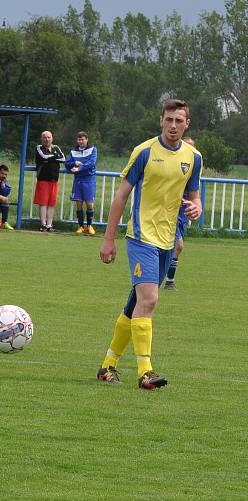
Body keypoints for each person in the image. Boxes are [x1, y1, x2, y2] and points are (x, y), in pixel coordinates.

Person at [97, 99, 202, 389]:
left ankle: (108, 366)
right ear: (161, 120)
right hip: (141, 237)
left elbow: (195, 196)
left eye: (179, 121)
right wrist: (109, 239)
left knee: (136, 305)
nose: (173, 126)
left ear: (187, 124)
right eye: (169, 119)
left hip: (168, 239)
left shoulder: (193, 157)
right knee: (150, 300)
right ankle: (146, 371)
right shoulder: (144, 152)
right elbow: (120, 197)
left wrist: (196, 208)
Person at [164, 136, 196, 291]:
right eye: (187, 146)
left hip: (182, 213)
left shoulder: (193, 166)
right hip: (170, 211)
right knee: (179, 245)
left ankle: (166, 279)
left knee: (172, 247)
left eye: (193, 148)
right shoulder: (174, 164)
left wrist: (195, 206)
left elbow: (194, 194)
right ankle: (168, 280)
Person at [67, 131, 98, 235]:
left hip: (89, 179)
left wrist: (79, 168)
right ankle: (80, 226)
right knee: (79, 203)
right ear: (77, 140)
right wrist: (74, 163)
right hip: (78, 179)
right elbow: (67, 164)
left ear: (87, 140)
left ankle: (89, 226)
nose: (81, 141)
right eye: (79, 139)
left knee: (89, 204)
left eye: (82, 139)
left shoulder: (93, 149)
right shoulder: (73, 152)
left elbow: (91, 163)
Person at [33, 130, 65, 232]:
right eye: (45, 137)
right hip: (43, 179)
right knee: (43, 203)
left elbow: (63, 159)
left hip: (54, 179)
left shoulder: (56, 148)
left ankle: (49, 224)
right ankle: (43, 224)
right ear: (42, 139)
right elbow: (43, 157)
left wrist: (51, 159)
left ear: (52, 138)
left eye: (49, 137)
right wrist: (55, 157)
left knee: (52, 203)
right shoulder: (39, 148)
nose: (47, 139)